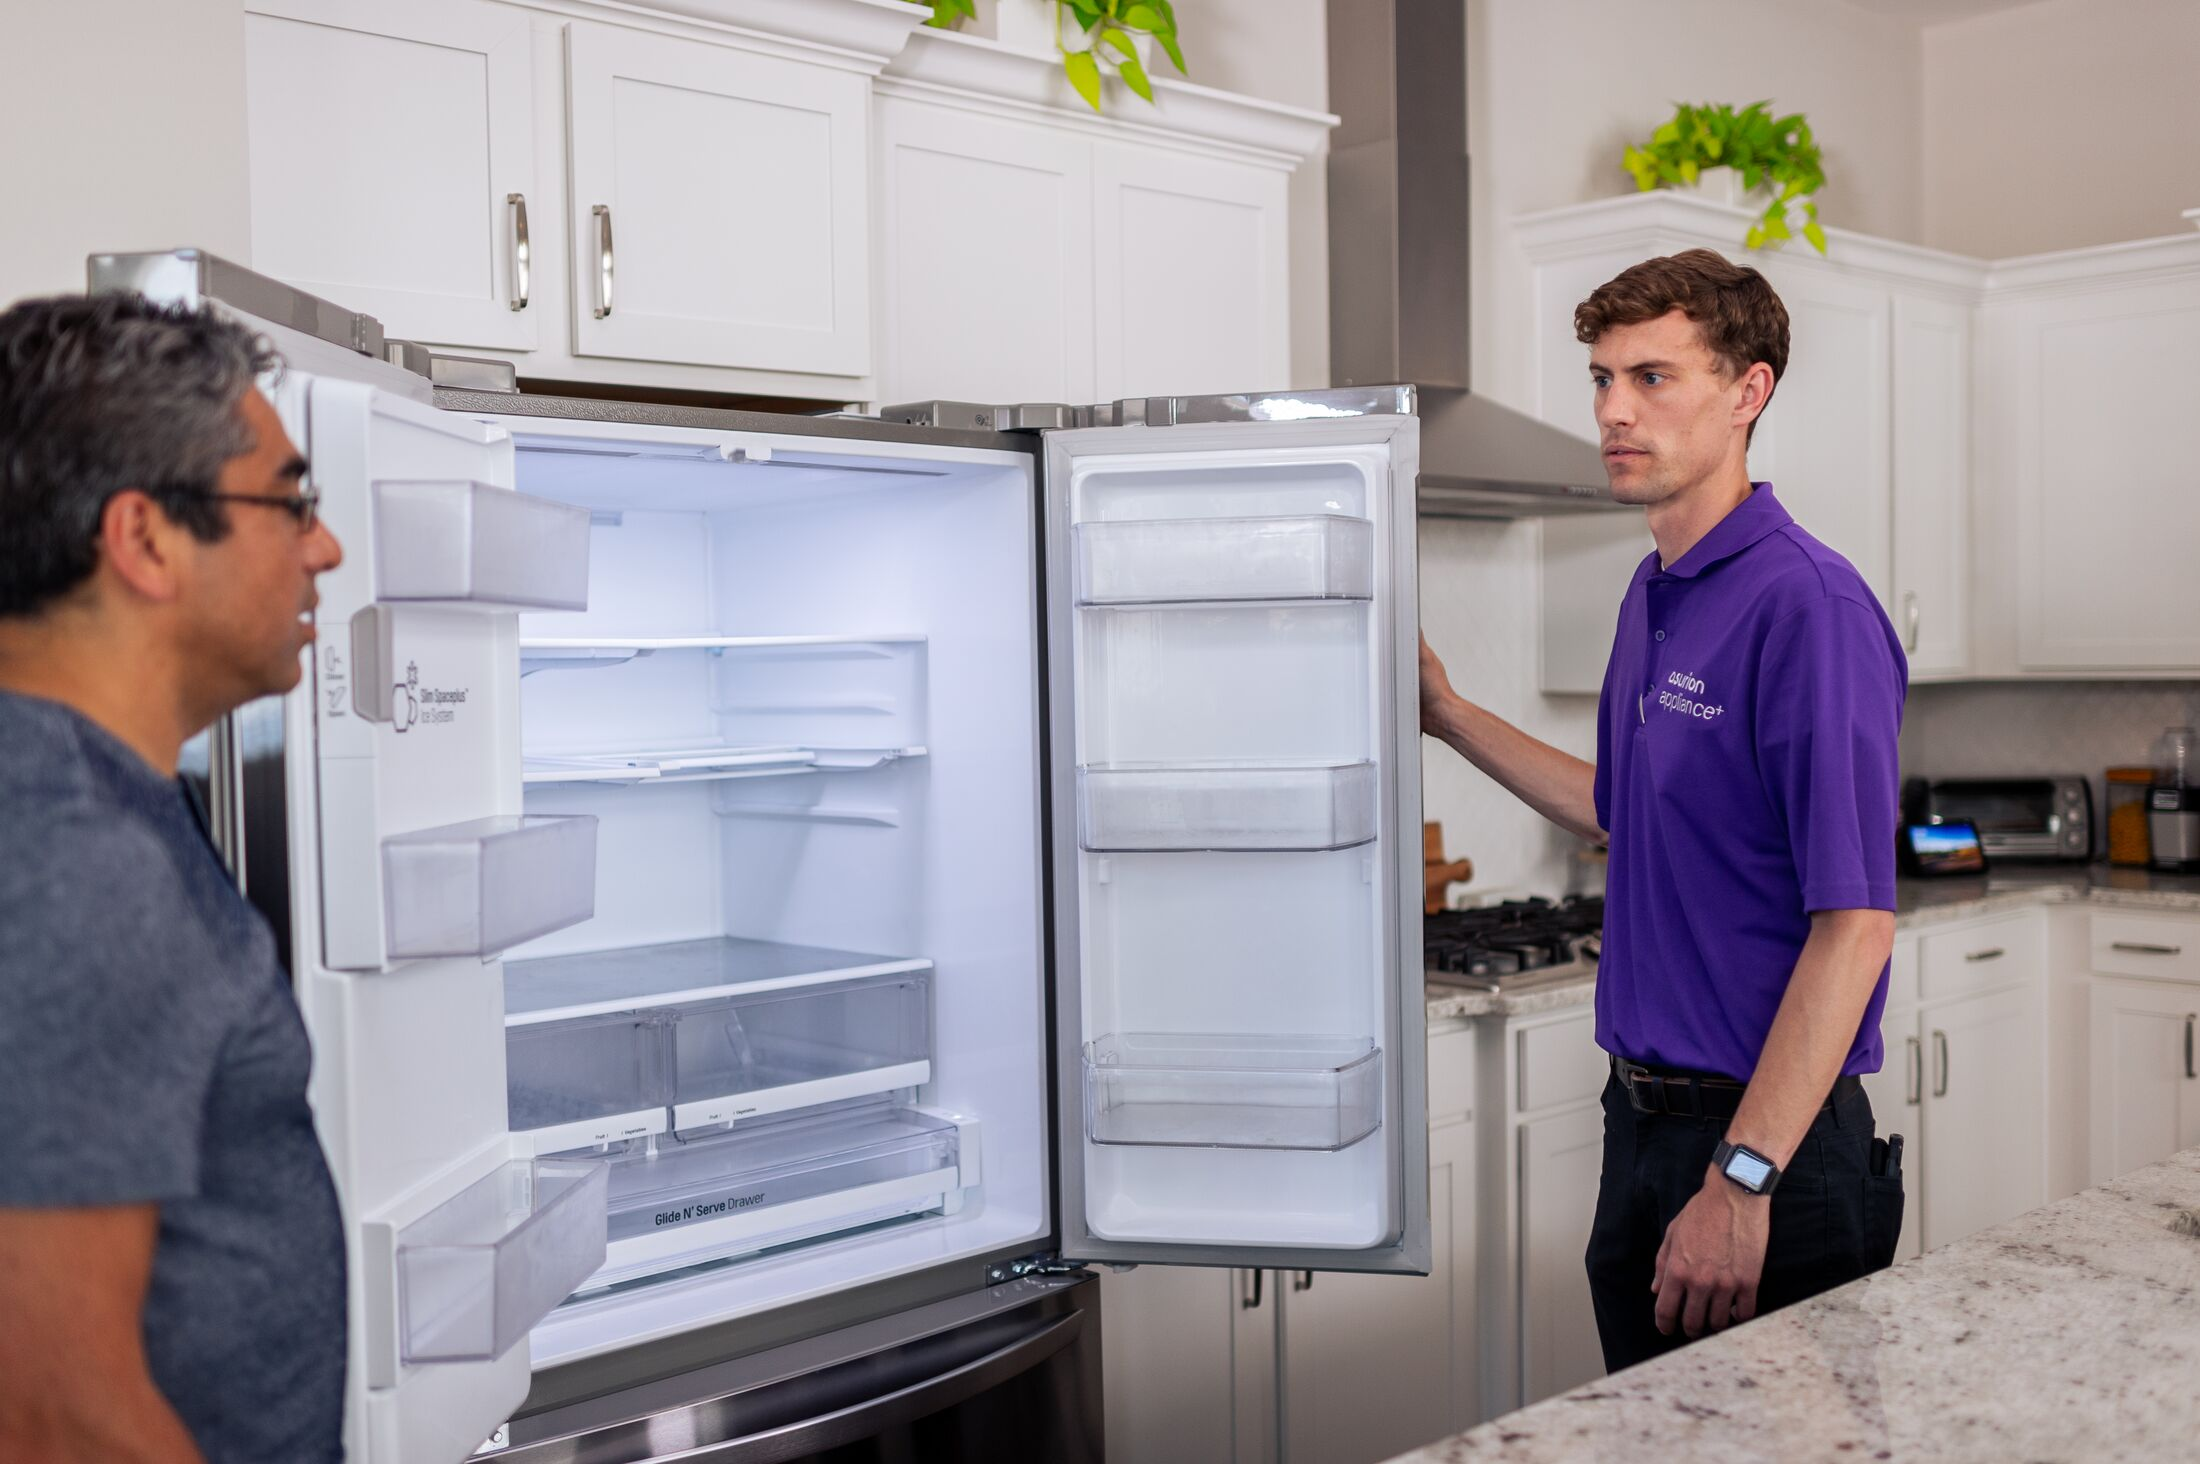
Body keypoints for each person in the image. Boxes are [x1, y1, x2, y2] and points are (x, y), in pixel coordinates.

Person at [1419, 248, 1907, 1371]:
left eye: (1651, 378)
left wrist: (1740, 1180)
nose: (1612, 411)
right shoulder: (1656, 589)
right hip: (1639, 1128)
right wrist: (1445, 712)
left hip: (1763, 1153)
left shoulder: (1806, 607)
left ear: (1749, 391)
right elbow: (1620, 808)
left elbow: (1856, 925)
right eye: (1600, 379)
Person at [0, 293, 348, 1462]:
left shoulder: (91, 794)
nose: (326, 546)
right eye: (291, 502)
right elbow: (50, 1414)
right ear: (144, 538)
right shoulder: (69, 852)